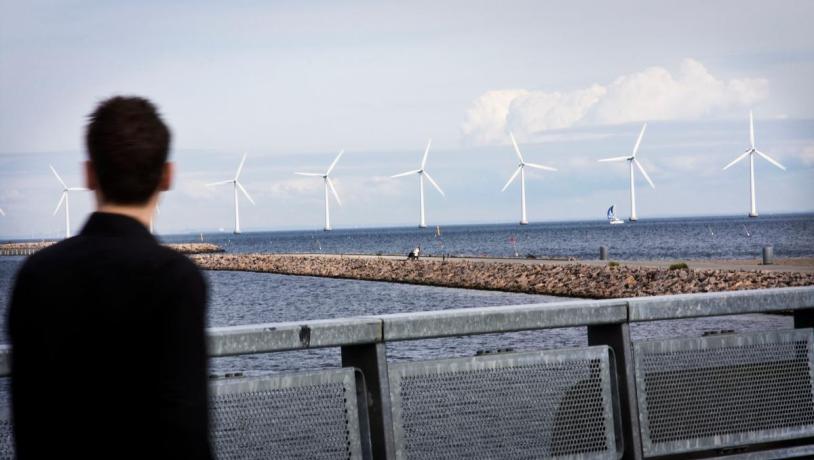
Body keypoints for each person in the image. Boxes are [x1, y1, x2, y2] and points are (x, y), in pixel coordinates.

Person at [7, 96, 212, 459]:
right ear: (167, 176)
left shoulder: (35, 275)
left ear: (88, 174)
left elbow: (27, 421)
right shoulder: (176, 279)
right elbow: (185, 431)